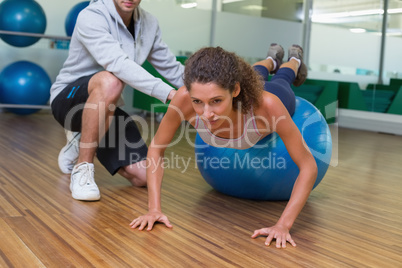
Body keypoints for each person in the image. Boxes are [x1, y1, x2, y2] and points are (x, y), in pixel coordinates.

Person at [129, 44, 317, 248]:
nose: (206, 113)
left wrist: (283, 225)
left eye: (216, 101)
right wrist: (153, 209)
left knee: (281, 80)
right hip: (241, 89)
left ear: (235, 90)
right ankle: (271, 59)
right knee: (255, 72)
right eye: (197, 101)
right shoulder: (183, 99)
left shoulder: (268, 106)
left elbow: (308, 166)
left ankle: (294, 61)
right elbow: (156, 149)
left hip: (275, 96)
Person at [50, 0, 184, 201]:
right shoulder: (91, 16)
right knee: (111, 80)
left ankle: (80, 140)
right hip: (68, 101)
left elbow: (171, 68)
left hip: (107, 109)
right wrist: (170, 94)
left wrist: (202, 89)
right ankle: (82, 168)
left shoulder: (149, 23)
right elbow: (117, 64)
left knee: (145, 176)